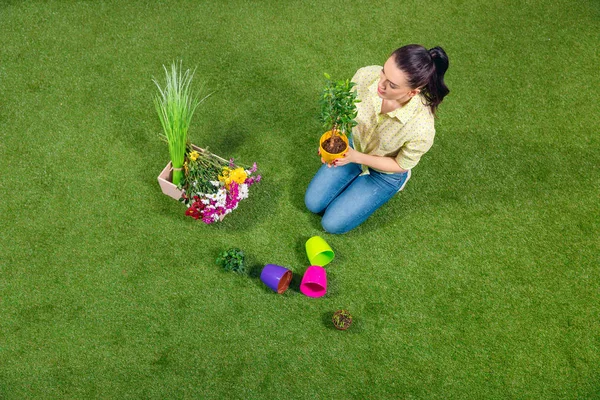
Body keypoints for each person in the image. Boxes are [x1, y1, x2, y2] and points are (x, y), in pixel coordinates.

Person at [304, 44, 450, 234]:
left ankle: (386, 183)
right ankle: (355, 174)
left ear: (412, 92)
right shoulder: (366, 76)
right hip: (354, 145)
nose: (380, 84)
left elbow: (401, 165)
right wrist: (334, 142)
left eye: (392, 85)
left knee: (332, 224)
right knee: (312, 203)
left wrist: (356, 157)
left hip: (385, 173)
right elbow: (343, 111)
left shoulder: (422, 128)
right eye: (383, 73)